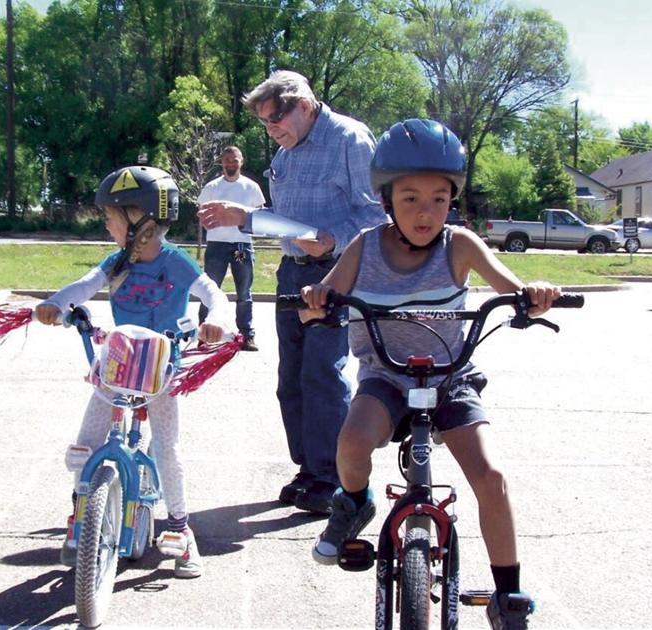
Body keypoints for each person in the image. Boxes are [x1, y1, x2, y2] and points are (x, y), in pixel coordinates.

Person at [298, 119, 560, 629]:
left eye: (439, 199)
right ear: (387, 200)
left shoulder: (459, 245)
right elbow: (323, 297)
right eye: (412, 198)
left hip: (450, 378)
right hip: (386, 377)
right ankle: (353, 503)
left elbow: (513, 286)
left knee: (492, 477)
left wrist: (535, 295)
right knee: (351, 444)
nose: (426, 212)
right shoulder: (364, 247)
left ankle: (508, 597)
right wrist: (315, 302)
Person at [197, 70, 387, 514]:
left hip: (336, 272)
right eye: (264, 123)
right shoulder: (285, 152)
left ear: (303, 104)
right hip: (292, 274)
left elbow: (378, 216)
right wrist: (243, 216)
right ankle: (309, 468)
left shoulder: (350, 139)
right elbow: (283, 221)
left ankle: (336, 478)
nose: (271, 130)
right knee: (293, 380)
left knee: (323, 374)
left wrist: (331, 238)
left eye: (275, 120)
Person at [35, 165, 234, 579]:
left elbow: (212, 291)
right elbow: (84, 285)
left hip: (161, 369)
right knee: (86, 443)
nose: (106, 223)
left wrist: (218, 317)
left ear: (138, 221)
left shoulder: (174, 262)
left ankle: (180, 529)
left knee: (166, 448)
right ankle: (81, 519)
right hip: (117, 365)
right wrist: (56, 302)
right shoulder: (116, 262)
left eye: (111, 216)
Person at [197, 145, 266, 351]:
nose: (230, 164)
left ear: (241, 161)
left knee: (244, 292)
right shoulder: (212, 187)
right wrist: (205, 221)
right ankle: (205, 334)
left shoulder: (251, 187)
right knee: (209, 290)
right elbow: (200, 211)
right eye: (227, 160)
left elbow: (260, 214)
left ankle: (246, 335)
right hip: (216, 245)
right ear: (222, 162)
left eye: (234, 160)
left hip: (242, 245)